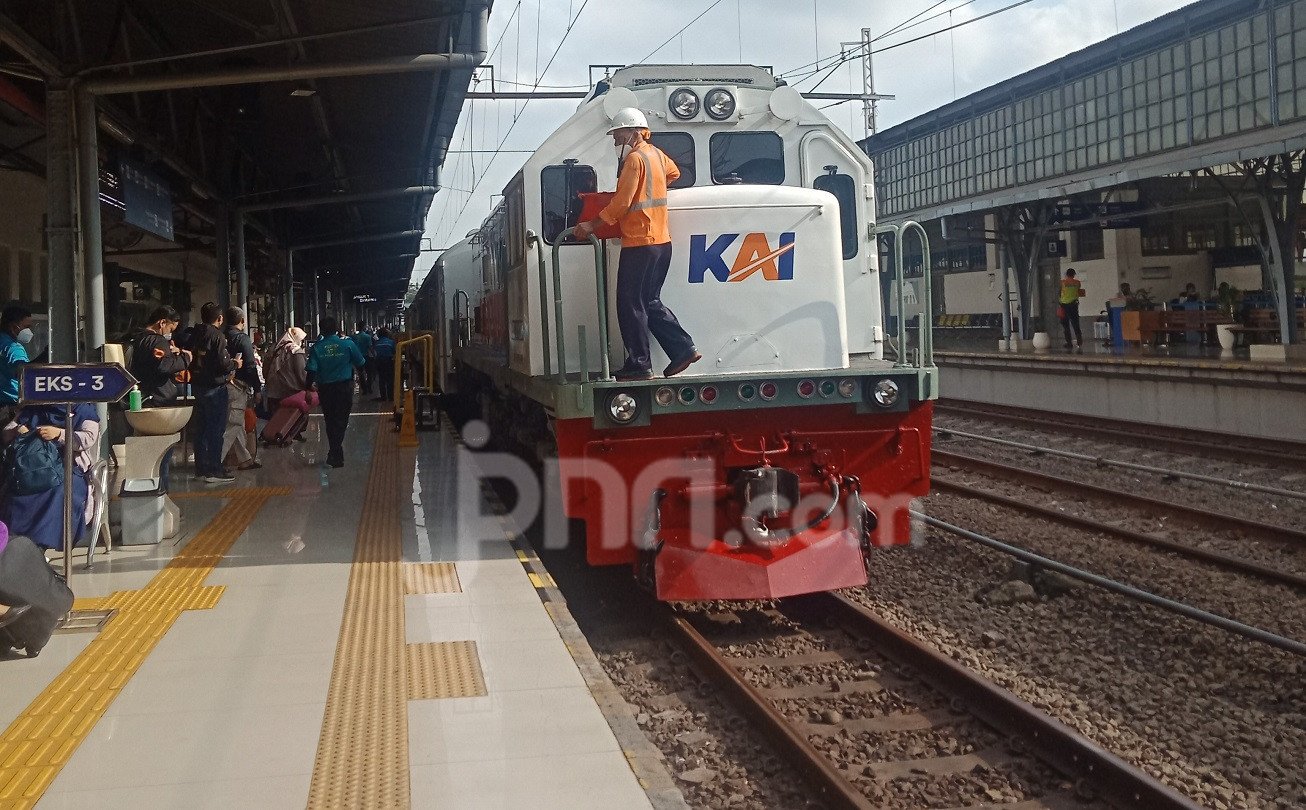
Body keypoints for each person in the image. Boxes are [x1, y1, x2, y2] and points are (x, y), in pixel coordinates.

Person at [572, 107, 699, 381]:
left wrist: (591, 225)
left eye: (617, 132)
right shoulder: (656, 155)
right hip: (661, 241)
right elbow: (674, 173)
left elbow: (622, 202)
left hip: (640, 242)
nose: (615, 138)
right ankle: (683, 349)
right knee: (649, 300)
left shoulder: (634, 160)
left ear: (631, 130)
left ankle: (640, 364)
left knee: (629, 303)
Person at [1, 403, 99, 551]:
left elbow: (89, 437)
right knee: (16, 492)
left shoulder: (82, 408)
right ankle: (16, 546)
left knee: (59, 492)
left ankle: (40, 547)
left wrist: (59, 434)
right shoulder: (35, 407)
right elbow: (7, 432)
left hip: (69, 468)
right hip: (32, 467)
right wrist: (18, 430)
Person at [189, 303, 240, 484]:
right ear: (219, 319)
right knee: (216, 429)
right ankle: (214, 470)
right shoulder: (217, 336)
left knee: (201, 429)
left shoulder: (195, 333)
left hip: (198, 387)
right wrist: (235, 364)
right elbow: (222, 363)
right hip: (215, 388)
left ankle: (201, 469)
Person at [305, 316, 365, 468]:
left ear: (321, 330)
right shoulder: (348, 344)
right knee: (341, 420)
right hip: (344, 388)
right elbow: (361, 363)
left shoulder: (317, 348)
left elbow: (311, 371)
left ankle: (334, 451)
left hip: (325, 389)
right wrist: (364, 382)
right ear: (337, 328)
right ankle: (335, 452)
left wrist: (307, 389)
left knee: (330, 420)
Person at [222, 307, 262, 471]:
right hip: (238, 386)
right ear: (243, 321)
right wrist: (257, 388)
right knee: (234, 424)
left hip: (222, 384)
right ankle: (215, 461)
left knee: (235, 422)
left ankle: (245, 459)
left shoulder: (221, 336)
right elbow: (251, 365)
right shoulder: (242, 339)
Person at [129, 305, 191, 407]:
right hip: (158, 398)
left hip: (141, 394)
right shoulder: (157, 341)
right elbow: (165, 365)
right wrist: (185, 358)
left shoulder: (137, 337)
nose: (170, 334)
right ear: (162, 323)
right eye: (170, 329)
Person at [264, 327, 308, 416]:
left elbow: (265, 368)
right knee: (290, 425)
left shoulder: (273, 348)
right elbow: (301, 374)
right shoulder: (295, 350)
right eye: (301, 340)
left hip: (272, 393)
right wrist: (309, 386)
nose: (302, 343)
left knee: (275, 424)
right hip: (290, 394)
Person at [0, 305, 33, 420]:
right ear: (14, 327)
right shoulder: (13, 347)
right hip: (10, 408)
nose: (30, 332)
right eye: (27, 327)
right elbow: (23, 370)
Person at [1058, 268, 1085, 351]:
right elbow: (1078, 291)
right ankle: (1079, 341)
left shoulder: (1063, 282)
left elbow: (1059, 293)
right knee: (1076, 323)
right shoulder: (1077, 283)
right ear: (1073, 274)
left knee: (1066, 325)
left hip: (1064, 306)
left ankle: (1069, 343)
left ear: (1066, 274)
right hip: (1074, 305)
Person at [373, 328, 397, 403]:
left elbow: (375, 352)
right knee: (390, 379)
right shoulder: (391, 342)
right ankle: (390, 397)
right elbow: (394, 352)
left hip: (379, 362)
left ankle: (383, 397)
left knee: (381, 379)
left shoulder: (377, 343)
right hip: (389, 361)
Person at [350, 322, 374, 396]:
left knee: (361, 374)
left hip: (357, 357)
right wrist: (374, 354)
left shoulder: (353, 337)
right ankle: (369, 387)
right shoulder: (367, 337)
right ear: (364, 327)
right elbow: (370, 347)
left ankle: (364, 389)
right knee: (369, 373)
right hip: (366, 356)